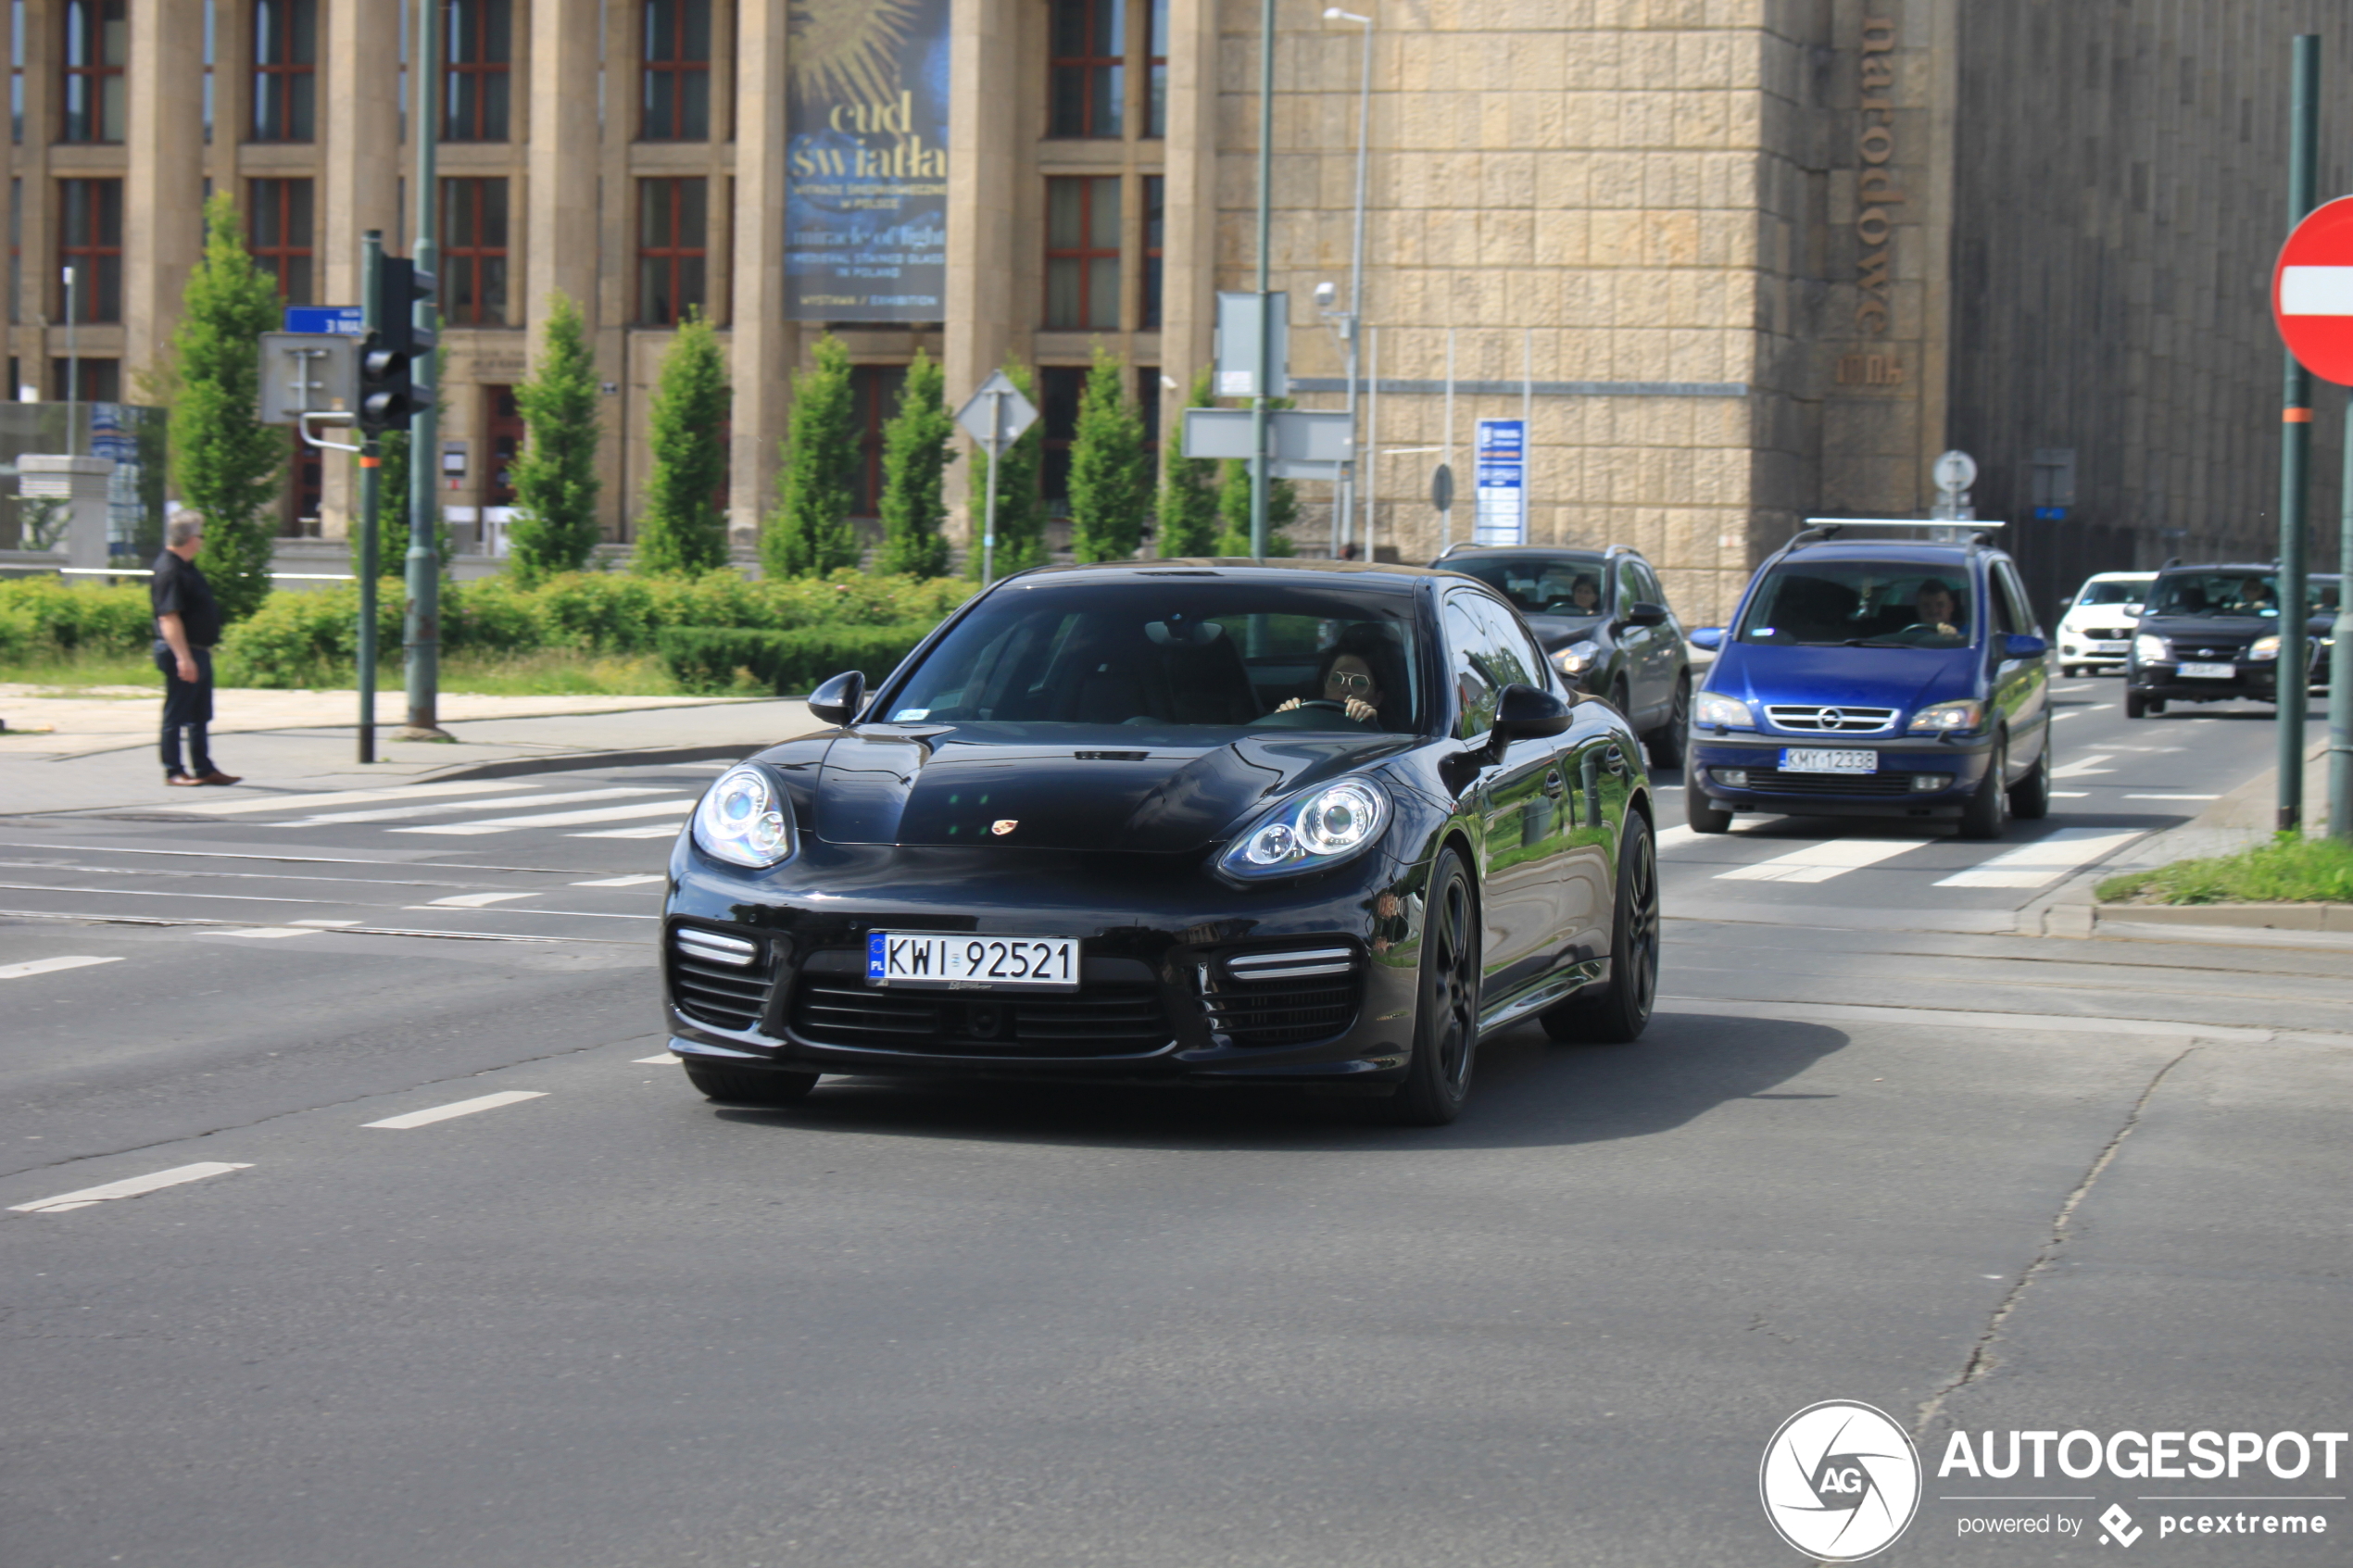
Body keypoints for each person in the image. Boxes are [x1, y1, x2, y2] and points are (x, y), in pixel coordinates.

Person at [151, 510, 240, 787]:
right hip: (182, 650)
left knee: (200, 714)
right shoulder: (170, 569)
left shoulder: (186, 567)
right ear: (190, 538)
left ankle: (203, 767)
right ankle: (173, 770)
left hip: (198, 650)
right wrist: (183, 658)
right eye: (200, 535)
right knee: (176, 714)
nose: (202, 541)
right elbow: (169, 617)